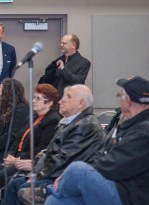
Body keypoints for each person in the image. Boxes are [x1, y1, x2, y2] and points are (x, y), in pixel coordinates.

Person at [45, 76, 149, 205]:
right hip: (116, 185)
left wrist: (87, 170)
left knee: (77, 169)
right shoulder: (129, 125)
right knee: (55, 201)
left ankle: (46, 191)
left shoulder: (143, 131)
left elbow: (114, 164)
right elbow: (104, 155)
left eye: (118, 96)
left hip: (128, 195)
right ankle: (50, 193)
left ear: (127, 100)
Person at [6, 84, 105, 205]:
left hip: (64, 178)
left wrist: (37, 174)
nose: (61, 100)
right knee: (13, 183)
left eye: (68, 97)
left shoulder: (86, 126)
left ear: (81, 104)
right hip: (52, 172)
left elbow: (64, 160)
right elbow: (48, 152)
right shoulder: (68, 122)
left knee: (20, 186)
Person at [0, 84, 61, 202]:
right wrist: (10, 155)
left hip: (27, 161)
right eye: (34, 97)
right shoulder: (33, 116)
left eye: (38, 98)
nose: (33, 101)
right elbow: (17, 140)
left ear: (49, 103)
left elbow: (41, 148)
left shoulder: (52, 120)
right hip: (15, 158)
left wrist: (17, 159)